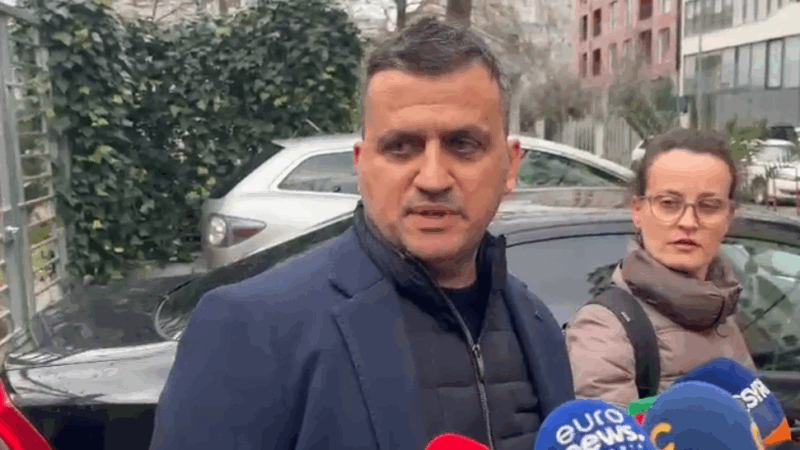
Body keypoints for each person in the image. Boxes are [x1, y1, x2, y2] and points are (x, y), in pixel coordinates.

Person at [149, 16, 574, 450]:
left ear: (510, 166)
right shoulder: (252, 331)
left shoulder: (538, 324)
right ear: (360, 165)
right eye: (401, 147)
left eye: (463, 145)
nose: (432, 178)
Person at [565, 128, 755, 409]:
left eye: (709, 206)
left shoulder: (723, 313)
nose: (688, 222)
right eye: (669, 203)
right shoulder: (605, 329)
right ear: (637, 211)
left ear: (728, 217)